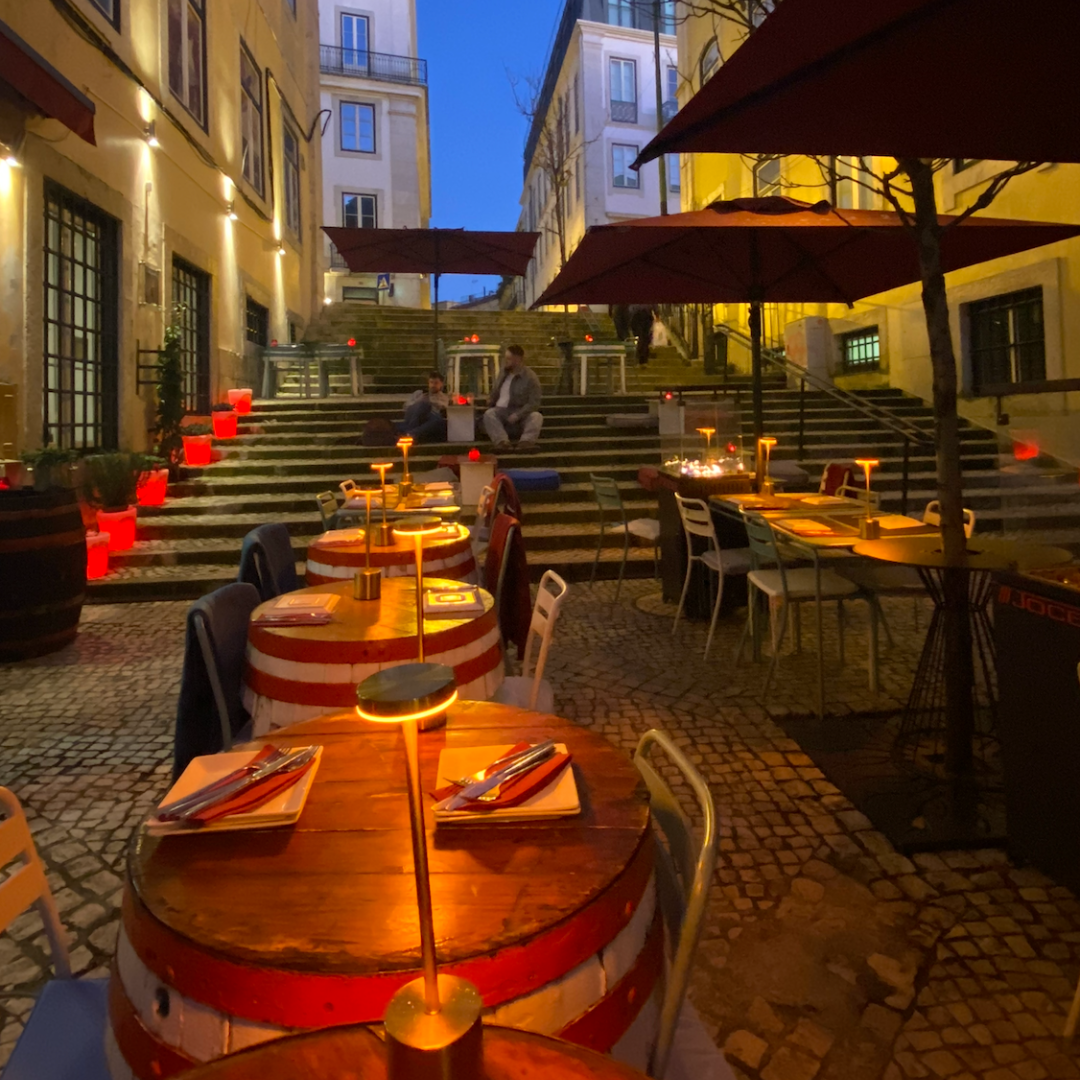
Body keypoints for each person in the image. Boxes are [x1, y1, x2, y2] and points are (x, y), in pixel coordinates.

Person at [482, 344, 543, 452]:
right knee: (489, 414)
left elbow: (534, 402)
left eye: (508, 359)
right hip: (501, 411)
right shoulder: (503, 373)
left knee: (536, 417)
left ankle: (526, 442)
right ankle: (502, 442)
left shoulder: (530, 377)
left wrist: (518, 414)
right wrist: (491, 400)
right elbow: (495, 391)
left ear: (518, 359)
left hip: (520, 413)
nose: (506, 361)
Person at [396, 370, 449, 443]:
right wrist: (419, 402)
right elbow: (406, 407)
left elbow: (443, 408)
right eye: (431, 382)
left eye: (436, 383)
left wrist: (431, 402)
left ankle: (411, 432)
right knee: (423, 404)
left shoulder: (443, 397)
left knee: (439, 420)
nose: (433, 385)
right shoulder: (419, 393)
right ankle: (411, 432)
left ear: (441, 384)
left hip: (427, 420)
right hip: (413, 417)